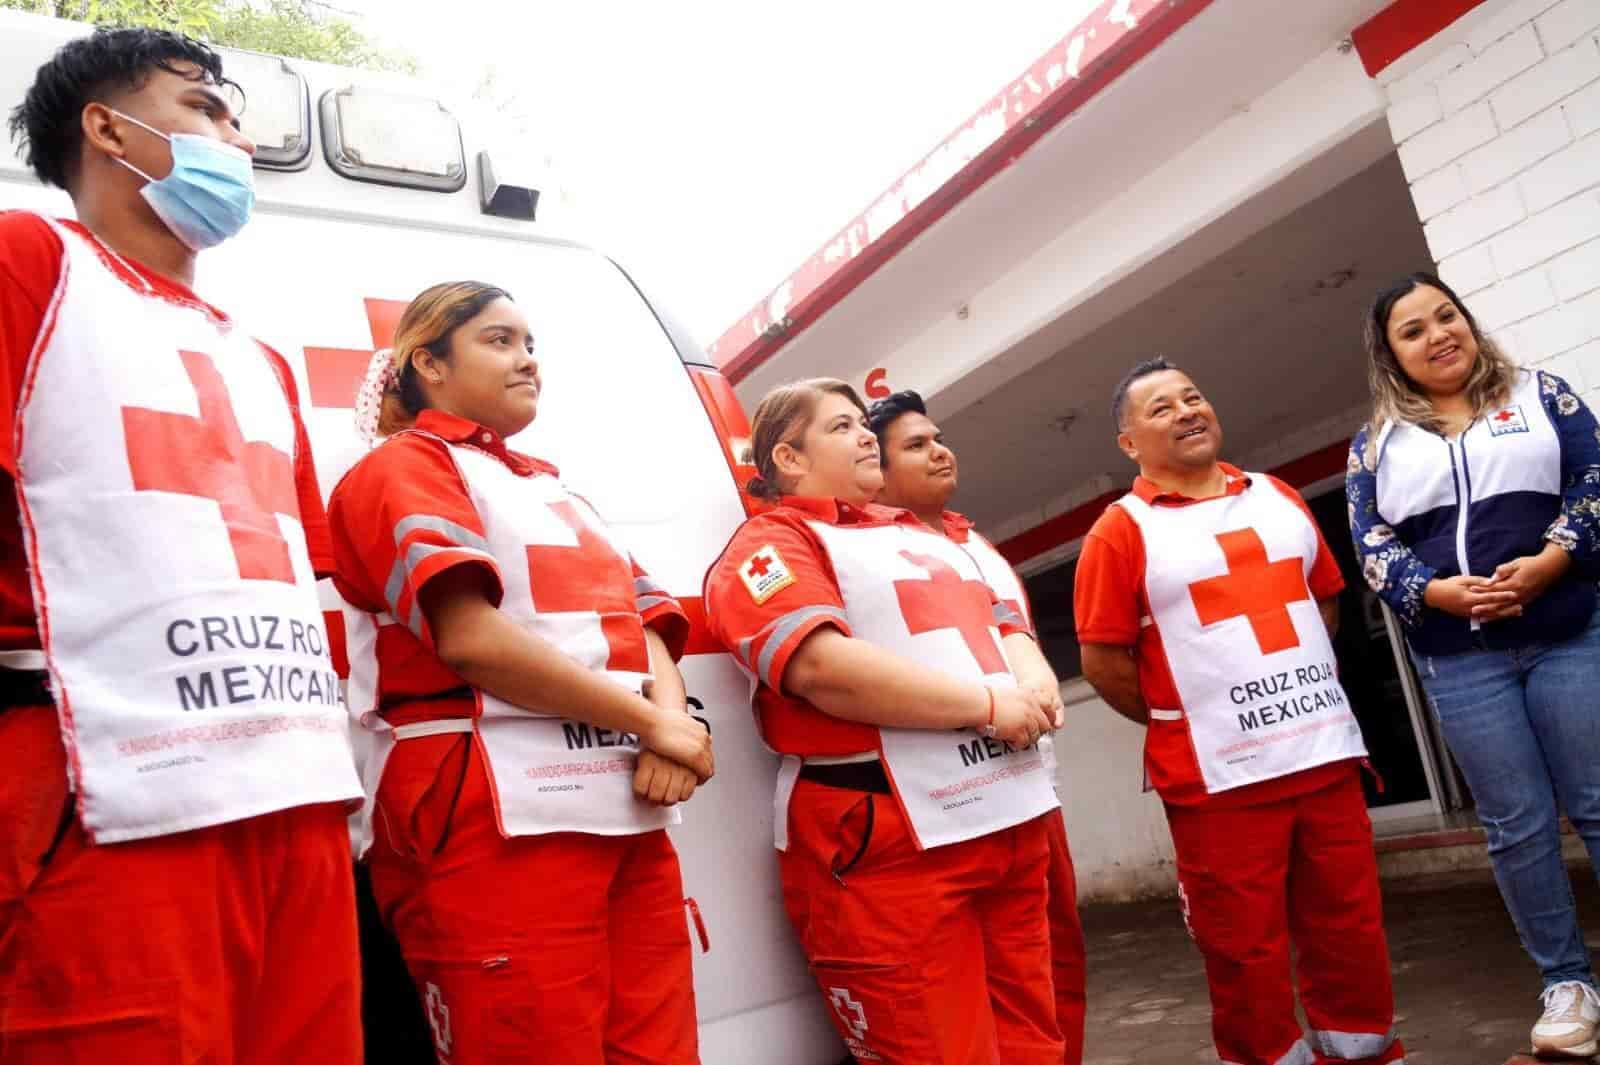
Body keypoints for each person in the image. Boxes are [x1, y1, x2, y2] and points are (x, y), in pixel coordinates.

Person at [0, 28, 365, 1061]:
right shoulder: (31, 262)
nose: (235, 141)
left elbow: (299, 582)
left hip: (289, 788)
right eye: (205, 108)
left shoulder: (255, 358)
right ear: (108, 129)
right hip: (108, 786)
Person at [329, 281, 713, 1065]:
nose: (528, 359)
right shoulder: (401, 467)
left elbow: (647, 622)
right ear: (428, 363)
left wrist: (673, 728)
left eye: (531, 343)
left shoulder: (555, 488)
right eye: (499, 340)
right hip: (486, 815)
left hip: (624, 809)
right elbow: (469, 636)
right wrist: (655, 723)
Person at [704, 377, 1064, 1065]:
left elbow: (1004, 622)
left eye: (863, 424)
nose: (866, 436)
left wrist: (1037, 680)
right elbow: (820, 667)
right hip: (890, 840)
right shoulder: (770, 544)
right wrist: (992, 707)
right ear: (789, 458)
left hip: (1004, 820)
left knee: (1033, 1043)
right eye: (841, 427)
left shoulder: (921, 536)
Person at [1076, 358, 1404, 1065]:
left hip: (1323, 758)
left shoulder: (1277, 496)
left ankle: (1367, 1052)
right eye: (1161, 408)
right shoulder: (1120, 531)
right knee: (1244, 953)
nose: (1186, 411)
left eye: (1193, 396)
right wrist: (1192, 715)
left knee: (1351, 930)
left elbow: (1323, 601)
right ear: (1129, 442)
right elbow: (1103, 661)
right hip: (1219, 784)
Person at [1348, 272, 1600, 1059]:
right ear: (1391, 354)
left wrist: (1553, 559)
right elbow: (1371, 543)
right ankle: (1567, 984)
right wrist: (1436, 592)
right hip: (1460, 660)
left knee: (1596, 798)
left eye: (1445, 315)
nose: (1438, 335)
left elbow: (1595, 479)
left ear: (1466, 319)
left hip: (1566, 630)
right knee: (1517, 824)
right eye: (1413, 330)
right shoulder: (1376, 444)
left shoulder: (1540, 395)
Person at [866, 388, 1087, 1065]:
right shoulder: (866, 555)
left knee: (1056, 965)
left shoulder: (974, 543)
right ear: (875, 470)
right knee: (985, 994)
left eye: (938, 438)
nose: (940, 451)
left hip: (1030, 785)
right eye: (916, 445)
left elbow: (1013, 638)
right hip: (952, 806)